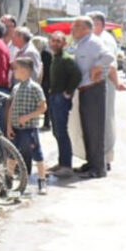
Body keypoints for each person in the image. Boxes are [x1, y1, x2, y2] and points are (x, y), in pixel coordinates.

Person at [71, 16, 117, 179]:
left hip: (94, 90)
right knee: (87, 130)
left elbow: (109, 57)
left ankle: (98, 168)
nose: (72, 29)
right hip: (84, 90)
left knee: (95, 131)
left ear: (86, 28)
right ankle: (91, 163)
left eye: (76, 26)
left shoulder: (93, 42)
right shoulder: (80, 43)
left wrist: (97, 67)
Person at [88, 11, 126, 171]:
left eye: (92, 23)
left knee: (103, 122)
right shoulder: (93, 39)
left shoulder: (105, 40)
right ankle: (95, 158)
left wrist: (116, 82)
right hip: (92, 86)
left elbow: (109, 64)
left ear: (100, 25)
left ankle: (104, 158)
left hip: (103, 84)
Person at [5, 58, 49, 195]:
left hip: (30, 128)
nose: (14, 71)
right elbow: (11, 107)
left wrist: (28, 117)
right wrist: (9, 126)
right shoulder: (16, 87)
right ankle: (9, 179)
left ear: (24, 70)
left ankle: (42, 180)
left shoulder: (35, 88)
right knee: (12, 154)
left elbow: (43, 107)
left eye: (16, 68)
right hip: (16, 128)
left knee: (37, 154)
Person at [47, 31, 81, 172]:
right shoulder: (56, 58)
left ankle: (66, 165)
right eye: (53, 41)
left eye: (58, 41)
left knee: (61, 131)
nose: (55, 44)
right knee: (56, 131)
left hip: (61, 99)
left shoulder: (67, 59)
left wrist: (68, 91)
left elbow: (77, 75)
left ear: (64, 43)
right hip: (54, 97)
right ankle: (62, 163)